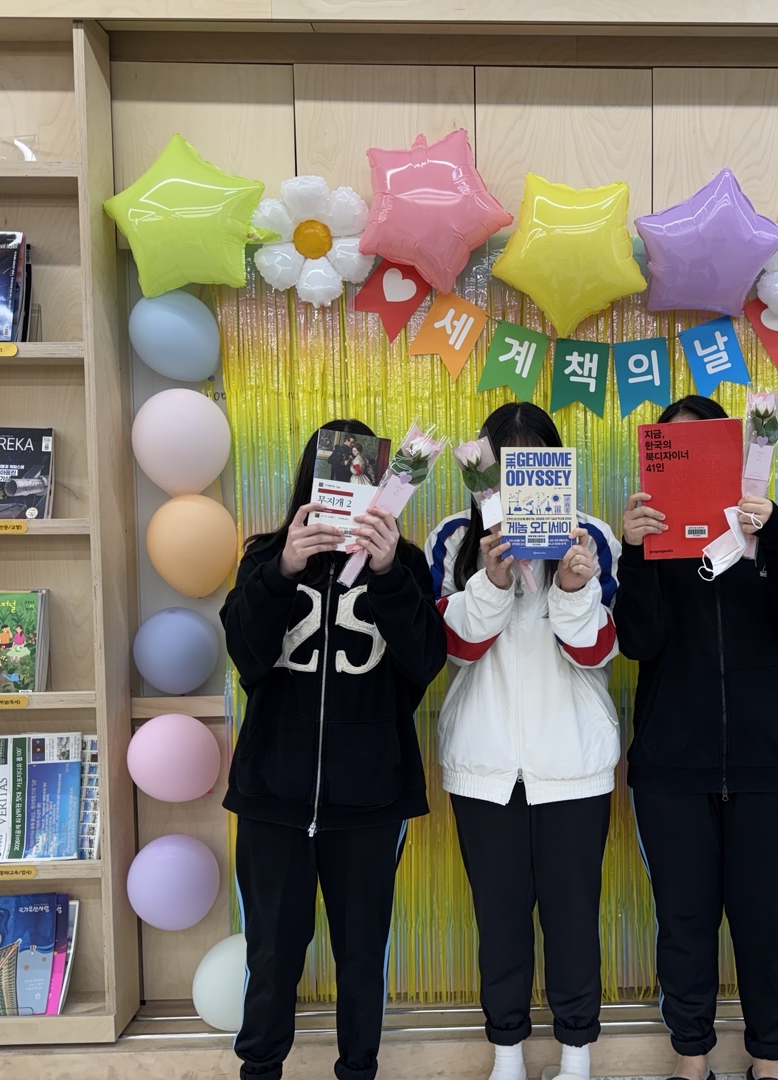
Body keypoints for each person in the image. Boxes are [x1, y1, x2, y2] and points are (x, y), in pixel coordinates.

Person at [613, 395, 778, 1080]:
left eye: (705, 446)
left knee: (767, 925)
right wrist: (635, 553)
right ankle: (691, 1059)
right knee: (683, 924)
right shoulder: (652, 542)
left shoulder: (770, 531)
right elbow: (639, 640)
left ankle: (770, 1059)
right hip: (672, 770)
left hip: (772, 767)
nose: (690, 460)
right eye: (674, 450)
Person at [220, 419, 447, 1080]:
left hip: (369, 800)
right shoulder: (266, 556)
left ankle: (359, 1069)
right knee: (271, 954)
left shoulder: (405, 565)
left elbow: (425, 661)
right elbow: (246, 656)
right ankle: (260, 1070)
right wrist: (282, 571)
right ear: (311, 478)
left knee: (362, 956)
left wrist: (387, 573)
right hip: (272, 798)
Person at [425, 402, 621, 1080]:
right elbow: (453, 648)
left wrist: (571, 585)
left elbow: (598, 650)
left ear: (555, 465)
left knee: (573, 917)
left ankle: (576, 1053)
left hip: (573, 764)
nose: (518, 476)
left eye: (532, 459)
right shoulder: (455, 537)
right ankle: (506, 1051)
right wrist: (494, 578)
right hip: (482, 767)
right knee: (499, 918)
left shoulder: (590, 536)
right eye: (503, 463)